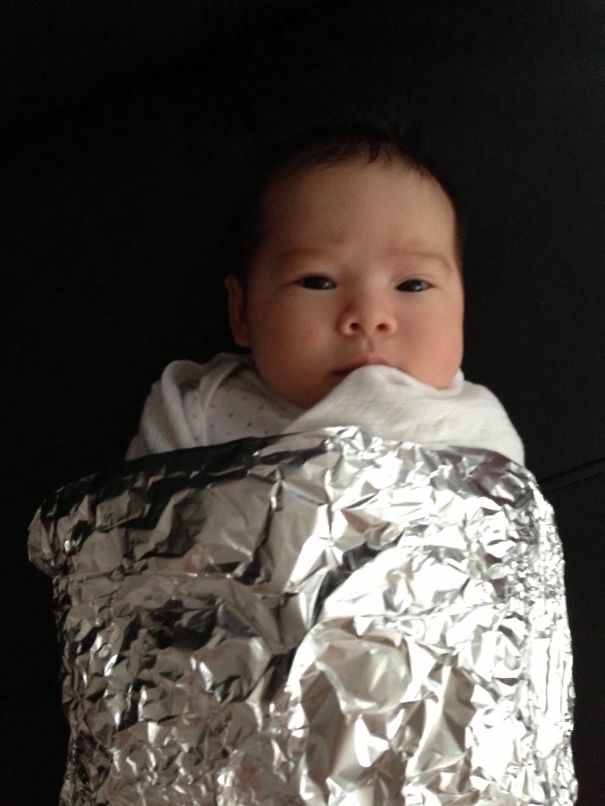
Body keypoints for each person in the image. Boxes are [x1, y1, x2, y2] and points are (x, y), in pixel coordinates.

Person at [127, 125, 524, 465]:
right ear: (243, 313)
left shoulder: (474, 427)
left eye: (412, 285)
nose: (369, 317)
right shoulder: (200, 409)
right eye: (318, 282)